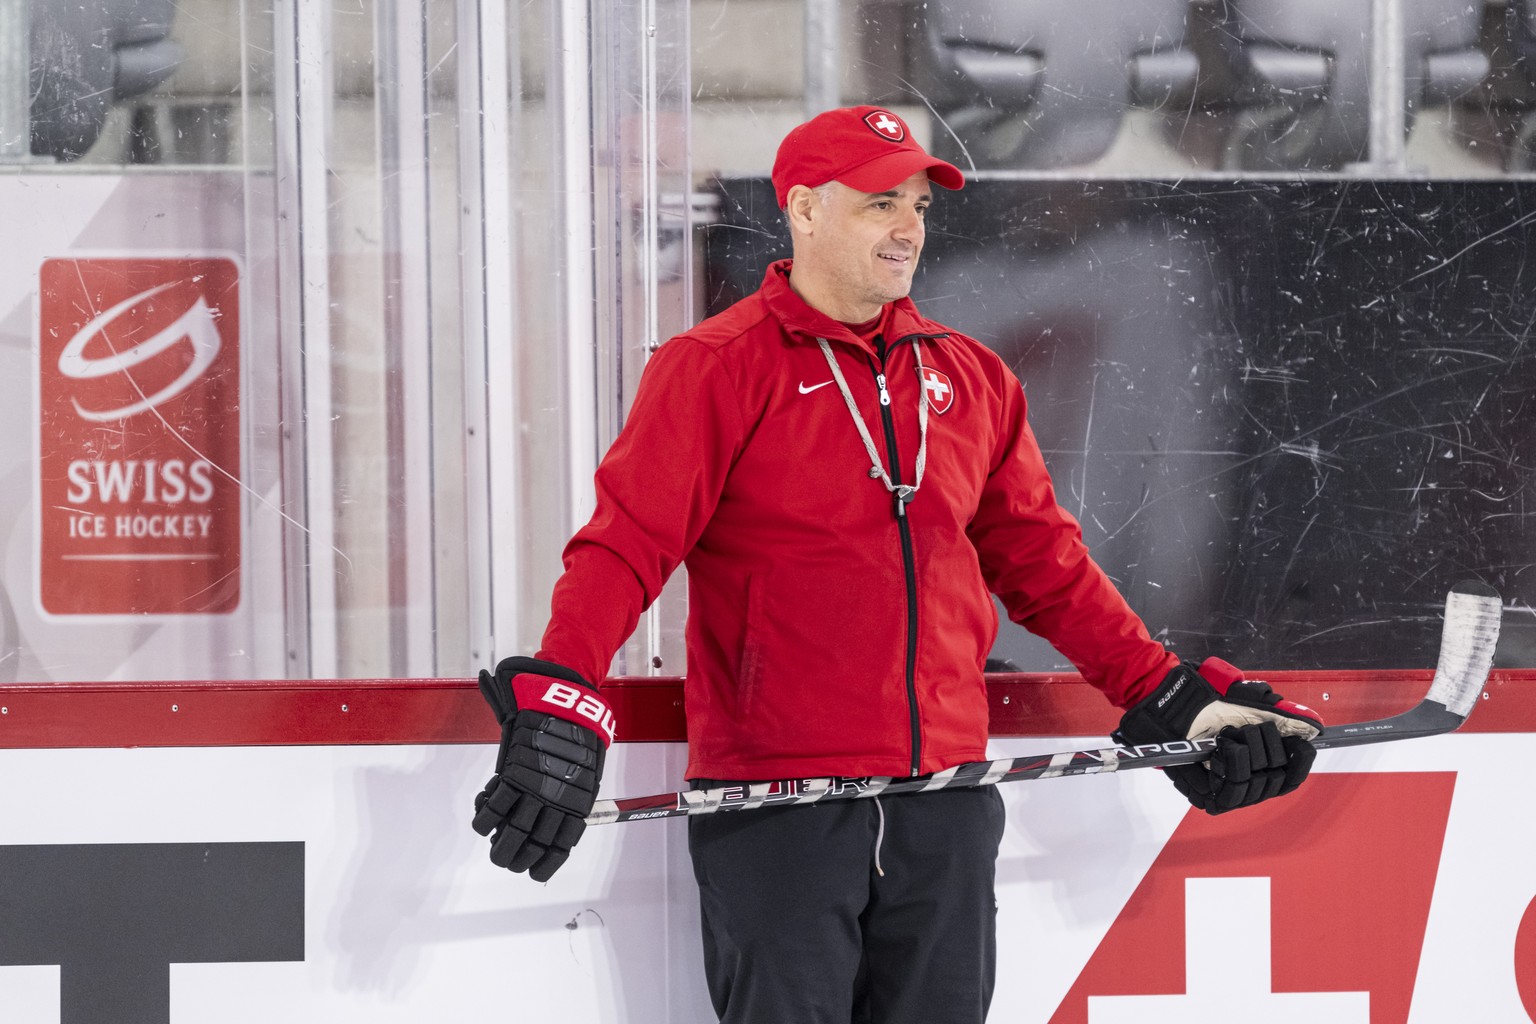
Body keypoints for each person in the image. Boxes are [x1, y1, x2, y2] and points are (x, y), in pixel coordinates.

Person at [470, 105, 1324, 1023]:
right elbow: (626, 545)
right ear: (804, 209)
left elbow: (1047, 567)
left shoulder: (973, 379)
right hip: (777, 805)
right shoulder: (715, 367)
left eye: (918, 205)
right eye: (880, 203)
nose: (908, 227)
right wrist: (564, 687)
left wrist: (1166, 692)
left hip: (945, 802)